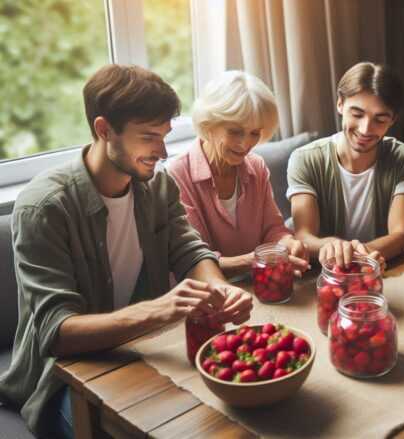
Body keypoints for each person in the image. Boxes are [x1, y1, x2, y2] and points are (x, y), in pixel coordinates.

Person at [0, 65, 253, 438]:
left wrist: (221, 288)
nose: (163, 151)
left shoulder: (158, 187)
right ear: (104, 130)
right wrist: (162, 308)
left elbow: (189, 249)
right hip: (63, 380)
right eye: (150, 137)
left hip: (142, 352)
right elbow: (57, 332)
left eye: (165, 136)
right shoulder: (44, 208)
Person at [168, 71, 309, 278]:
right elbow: (194, 259)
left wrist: (286, 243)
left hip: (258, 283)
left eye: (254, 133)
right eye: (235, 131)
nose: (245, 144)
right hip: (206, 293)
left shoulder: (256, 166)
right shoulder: (178, 174)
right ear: (209, 124)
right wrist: (253, 261)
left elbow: (272, 228)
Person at [287, 61, 404, 267]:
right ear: (340, 104)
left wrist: (357, 256)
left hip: (375, 266)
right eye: (357, 114)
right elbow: (304, 235)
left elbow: (401, 234)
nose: (366, 128)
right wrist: (334, 246)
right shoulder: (305, 158)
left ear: (393, 119)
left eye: (380, 119)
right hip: (322, 272)